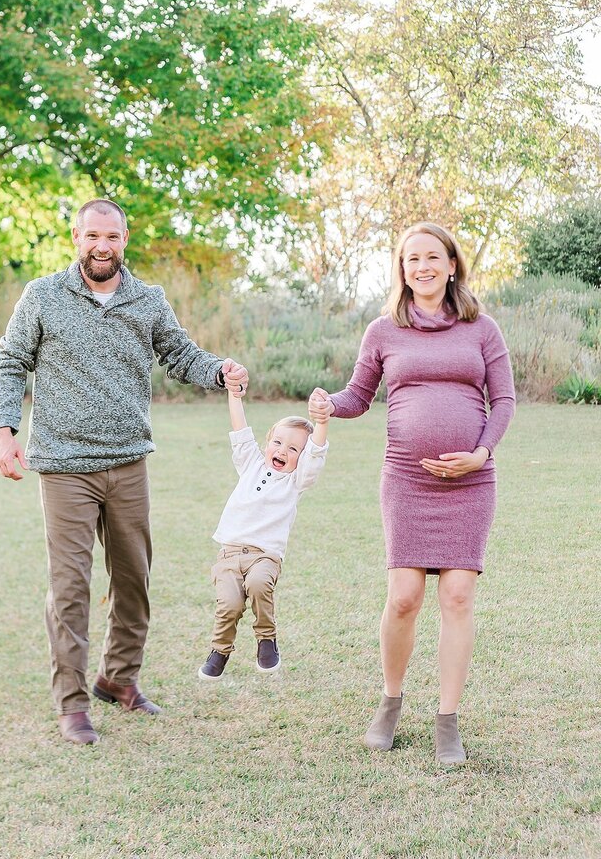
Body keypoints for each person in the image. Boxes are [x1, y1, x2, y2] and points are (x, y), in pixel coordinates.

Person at [0, 198, 249, 745]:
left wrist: (220, 369)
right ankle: (72, 703)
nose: (102, 246)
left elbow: (180, 356)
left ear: (125, 238)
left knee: (134, 579)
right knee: (70, 587)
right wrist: (4, 431)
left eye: (111, 236)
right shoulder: (43, 296)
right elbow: (11, 361)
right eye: (92, 236)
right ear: (76, 237)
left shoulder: (147, 300)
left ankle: (119, 679)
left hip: (129, 460)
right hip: (64, 466)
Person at [309, 221, 515, 765]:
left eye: (432, 257)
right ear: (401, 270)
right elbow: (358, 395)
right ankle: (391, 703)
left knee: (458, 597)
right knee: (404, 598)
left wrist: (481, 454)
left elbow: (506, 402)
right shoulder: (383, 331)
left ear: (452, 266)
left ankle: (447, 720)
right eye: (411, 259)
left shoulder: (482, 329)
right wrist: (328, 403)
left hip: (470, 482)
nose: (421, 267)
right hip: (406, 478)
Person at [197, 385, 328, 681]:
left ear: (301, 458)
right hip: (229, 554)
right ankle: (219, 650)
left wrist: (322, 421)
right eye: (278, 442)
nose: (282, 451)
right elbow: (240, 428)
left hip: (265, 556)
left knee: (258, 584)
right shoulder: (250, 464)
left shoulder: (296, 482)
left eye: (293, 449)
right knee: (229, 604)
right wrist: (234, 394)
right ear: (267, 441)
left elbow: (316, 454)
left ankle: (266, 639)